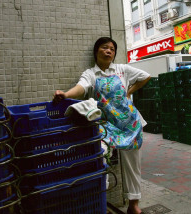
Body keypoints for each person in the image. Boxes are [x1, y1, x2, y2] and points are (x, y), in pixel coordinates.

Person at [53, 37, 151, 214]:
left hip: (130, 124)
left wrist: (129, 92)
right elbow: (81, 87)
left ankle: (134, 205)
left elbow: (145, 76)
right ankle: (101, 202)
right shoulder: (91, 73)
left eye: (112, 49)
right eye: (104, 48)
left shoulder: (122, 70)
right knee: (100, 157)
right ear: (96, 51)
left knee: (133, 165)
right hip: (105, 125)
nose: (109, 51)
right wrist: (66, 94)